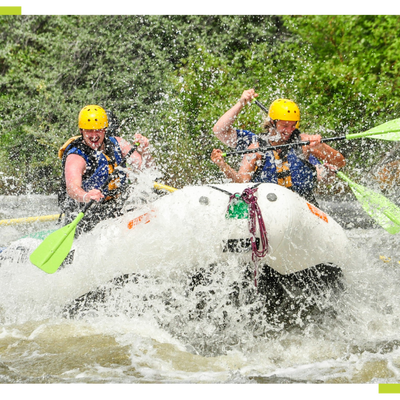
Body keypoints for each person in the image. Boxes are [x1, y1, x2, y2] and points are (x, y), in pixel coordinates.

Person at [211, 89, 346, 205]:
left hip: (303, 205)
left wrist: (321, 146)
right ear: (272, 122)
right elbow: (241, 183)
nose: (289, 130)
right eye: (284, 126)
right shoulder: (256, 147)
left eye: (293, 126)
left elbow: (340, 162)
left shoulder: (304, 143)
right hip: (268, 207)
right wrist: (223, 166)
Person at [58, 105, 154, 235]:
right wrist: (86, 196)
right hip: (85, 212)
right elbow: (72, 187)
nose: (93, 136)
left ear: (105, 129)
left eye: (98, 130)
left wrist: (145, 150)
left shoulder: (119, 144)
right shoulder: (76, 156)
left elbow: (145, 169)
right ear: (81, 131)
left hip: (114, 206)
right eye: (89, 131)